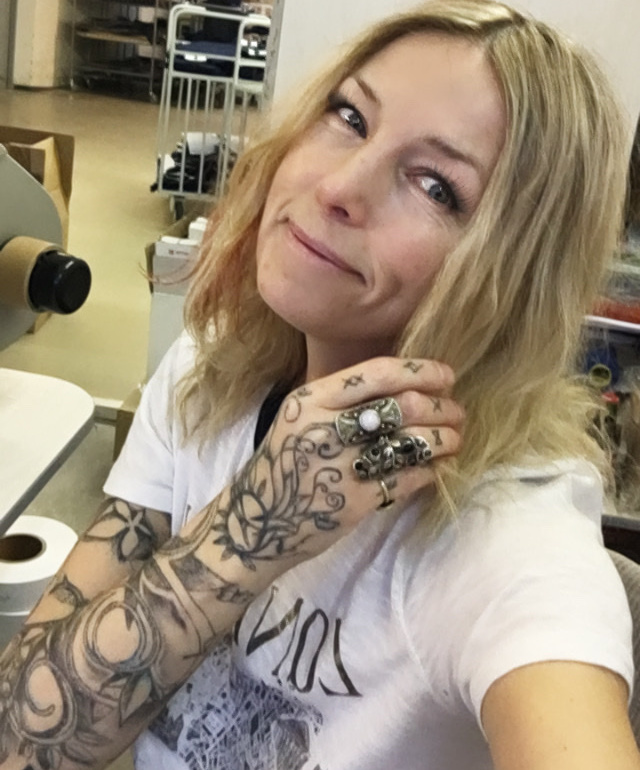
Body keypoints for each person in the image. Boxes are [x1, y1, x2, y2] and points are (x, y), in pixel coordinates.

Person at [1, 1, 638, 768]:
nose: (340, 184)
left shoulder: (508, 537)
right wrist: (250, 531)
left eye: (436, 186)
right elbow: (20, 734)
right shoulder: (211, 371)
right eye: (350, 116)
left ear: (513, 278)